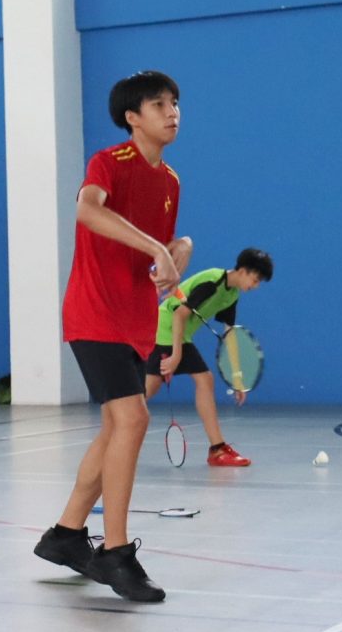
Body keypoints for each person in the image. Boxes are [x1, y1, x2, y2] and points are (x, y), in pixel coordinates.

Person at [33, 70, 190, 603]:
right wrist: (159, 248)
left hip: (135, 320)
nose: (172, 112)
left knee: (114, 431)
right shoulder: (109, 162)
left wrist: (178, 248)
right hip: (95, 313)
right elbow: (88, 209)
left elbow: (159, 245)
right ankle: (115, 553)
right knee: (133, 419)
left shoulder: (170, 181)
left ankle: (66, 534)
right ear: (132, 117)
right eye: (159, 104)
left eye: (175, 103)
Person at [147, 249, 274, 466]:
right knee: (151, 388)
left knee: (201, 380)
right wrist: (176, 355)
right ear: (243, 271)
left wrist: (236, 377)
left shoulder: (232, 295)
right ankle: (117, 423)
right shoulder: (213, 282)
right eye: (255, 279)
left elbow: (229, 336)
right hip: (165, 327)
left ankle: (217, 449)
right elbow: (179, 314)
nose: (256, 286)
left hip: (180, 334)